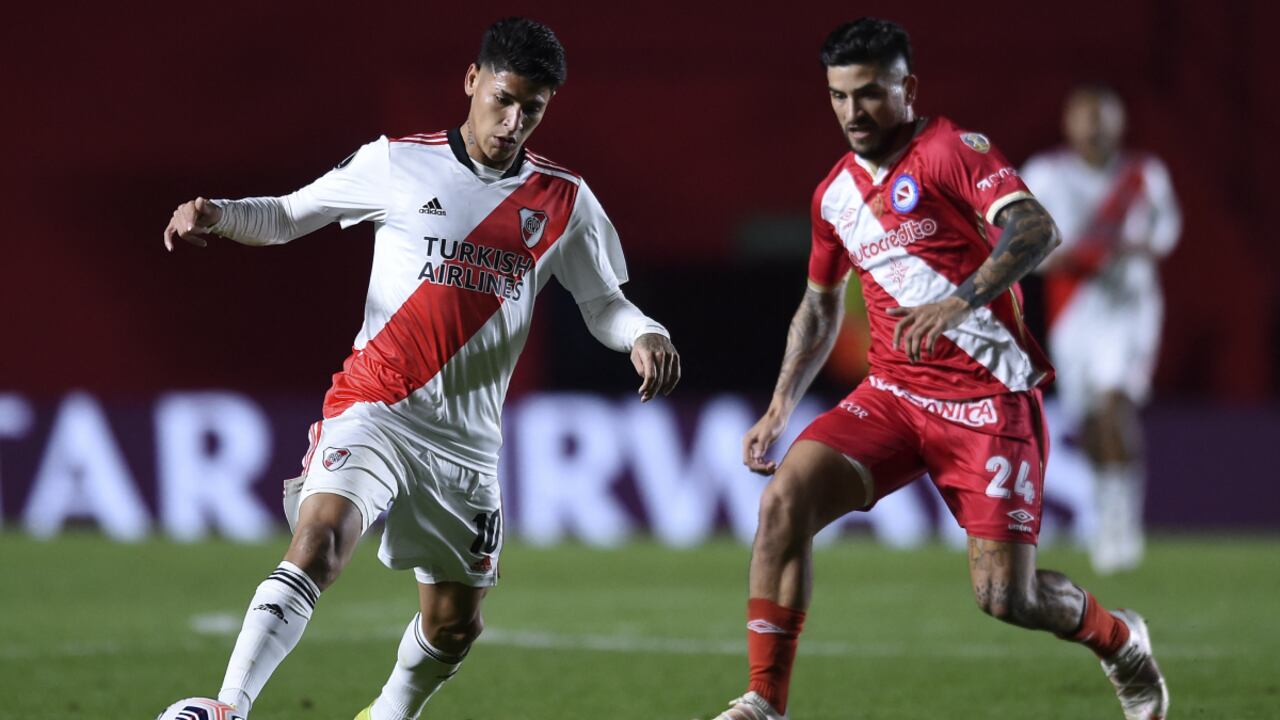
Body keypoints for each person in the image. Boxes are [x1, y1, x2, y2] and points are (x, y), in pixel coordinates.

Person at [162, 17, 680, 720]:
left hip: (466, 445)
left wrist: (643, 333)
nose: (513, 120)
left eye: (533, 107)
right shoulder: (397, 162)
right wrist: (219, 213)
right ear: (472, 81)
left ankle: (388, 713)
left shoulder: (565, 201)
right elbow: (287, 215)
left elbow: (604, 302)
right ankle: (226, 708)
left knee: (453, 626)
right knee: (317, 543)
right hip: (376, 405)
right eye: (503, 98)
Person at [706, 18, 1167, 720]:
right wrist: (779, 406)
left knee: (1006, 598)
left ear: (907, 87)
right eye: (838, 97)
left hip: (988, 400)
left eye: (868, 94)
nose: (852, 113)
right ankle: (765, 702)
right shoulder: (833, 193)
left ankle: (1121, 638)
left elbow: (1037, 228)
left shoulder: (952, 150)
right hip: (892, 395)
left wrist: (961, 300)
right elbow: (820, 307)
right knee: (782, 504)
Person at [1022, 86, 1181, 574]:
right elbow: (1016, 236)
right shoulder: (1045, 174)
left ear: (1120, 123)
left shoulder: (1144, 174)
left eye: (1103, 118)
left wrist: (1129, 248)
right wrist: (1057, 259)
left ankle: (1122, 524)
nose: (1094, 127)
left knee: (1117, 402)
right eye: (1085, 117)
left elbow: (1165, 234)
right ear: (1069, 123)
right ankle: (1103, 511)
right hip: (1074, 312)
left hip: (1129, 308)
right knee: (1091, 418)